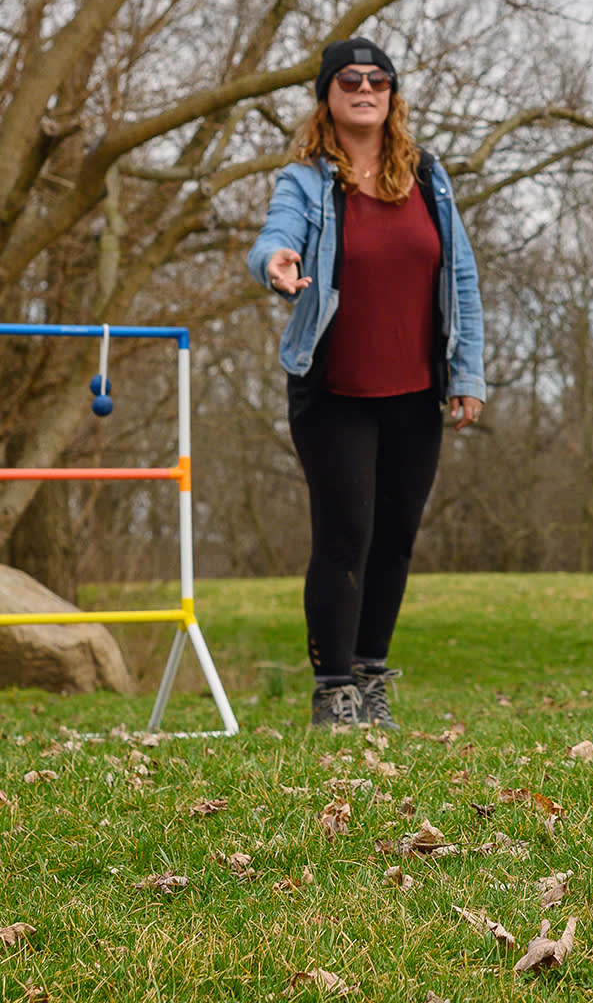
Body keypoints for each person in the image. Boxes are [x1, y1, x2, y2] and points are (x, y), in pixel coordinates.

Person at [248, 39, 485, 730]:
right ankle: (332, 689)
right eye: (348, 79)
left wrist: (466, 373)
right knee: (347, 529)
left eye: (377, 79)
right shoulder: (306, 181)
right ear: (328, 94)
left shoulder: (429, 178)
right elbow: (274, 236)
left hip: (416, 390)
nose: (364, 87)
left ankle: (371, 677)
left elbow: (460, 278)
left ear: (392, 94)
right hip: (332, 391)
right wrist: (276, 263)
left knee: (396, 537)